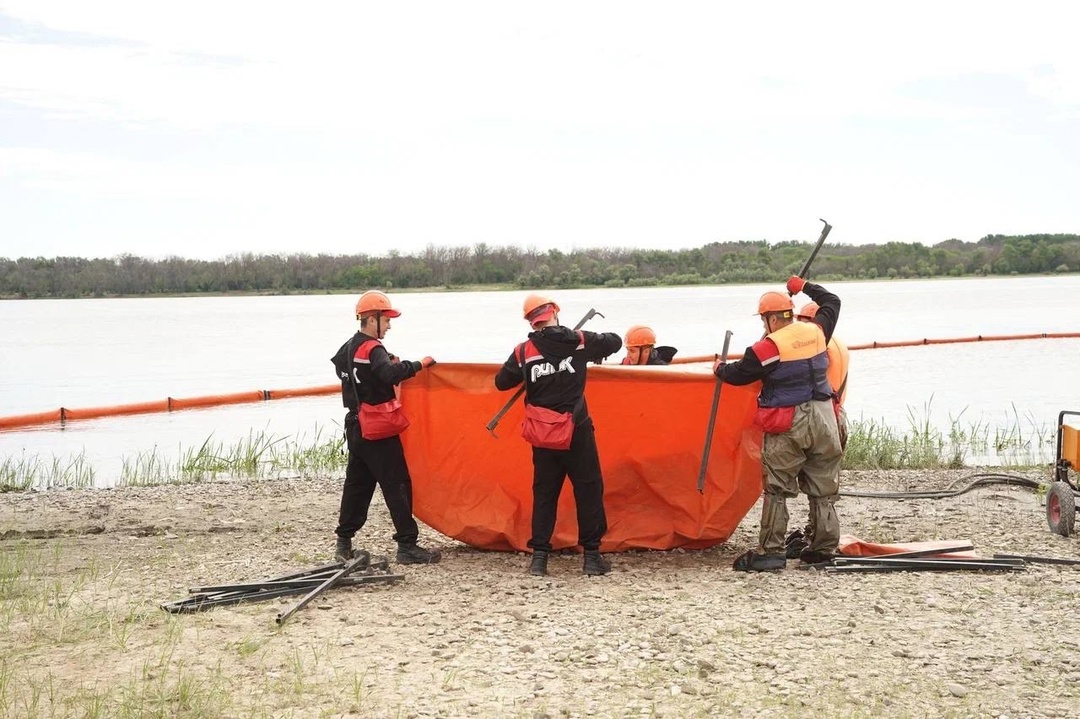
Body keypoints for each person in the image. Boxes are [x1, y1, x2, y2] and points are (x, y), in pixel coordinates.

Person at [713, 276, 843, 571]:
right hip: (825, 416)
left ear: (771, 318)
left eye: (764, 320)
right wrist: (805, 286)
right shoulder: (817, 331)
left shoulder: (767, 348)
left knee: (777, 487)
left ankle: (771, 550)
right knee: (823, 487)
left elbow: (737, 374)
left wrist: (718, 368)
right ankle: (822, 550)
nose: (763, 326)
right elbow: (832, 301)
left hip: (788, 421)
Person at [494, 293, 623, 576]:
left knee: (545, 493)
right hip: (576, 429)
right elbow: (615, 341)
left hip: (542, 434)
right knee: (588, 489)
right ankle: (591, 557)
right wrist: (587, 344)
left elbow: (502, 382)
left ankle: (539, 558)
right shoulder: (579, 342)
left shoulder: (523, 352)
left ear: (531, 322)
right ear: (555, 313)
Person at [330, 290, 441, 565]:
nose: (389, 325)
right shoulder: (373, 348)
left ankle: (344, 543)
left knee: (357, 485)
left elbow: (340, 369)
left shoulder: (349, 347)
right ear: (371, 319)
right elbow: (391, 374)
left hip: (355, 427)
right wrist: (419, 364)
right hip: (377, 428)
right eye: (387, 319)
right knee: (397, 484)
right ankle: (407, 546)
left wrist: (370, 375)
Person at [783, 300, 851, 560]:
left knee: (816, 482)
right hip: (837, 416)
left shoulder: (815, 348)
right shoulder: (838, 346)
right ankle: (816, 535)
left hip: (821, 417)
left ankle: (817, 539)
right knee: (825, 482)